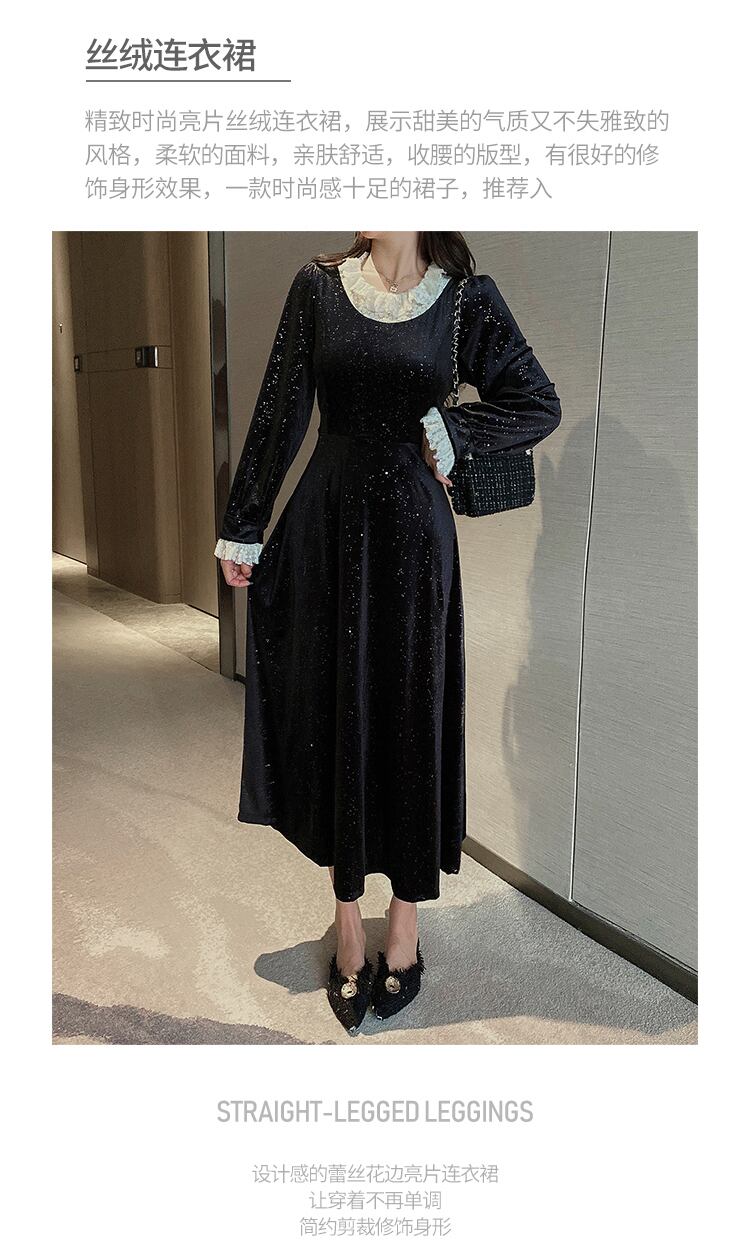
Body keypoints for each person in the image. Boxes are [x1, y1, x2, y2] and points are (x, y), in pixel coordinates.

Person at [214, 231, 562, 1032]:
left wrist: (458, 432)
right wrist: (246, 521)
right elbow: (281, 407)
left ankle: (403, 925)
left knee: (409, 723)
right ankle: (346, 922)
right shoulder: (318, 286)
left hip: (414, 538)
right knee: (334, 712)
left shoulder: (465, 298)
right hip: (327, 524)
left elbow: (535, 401)